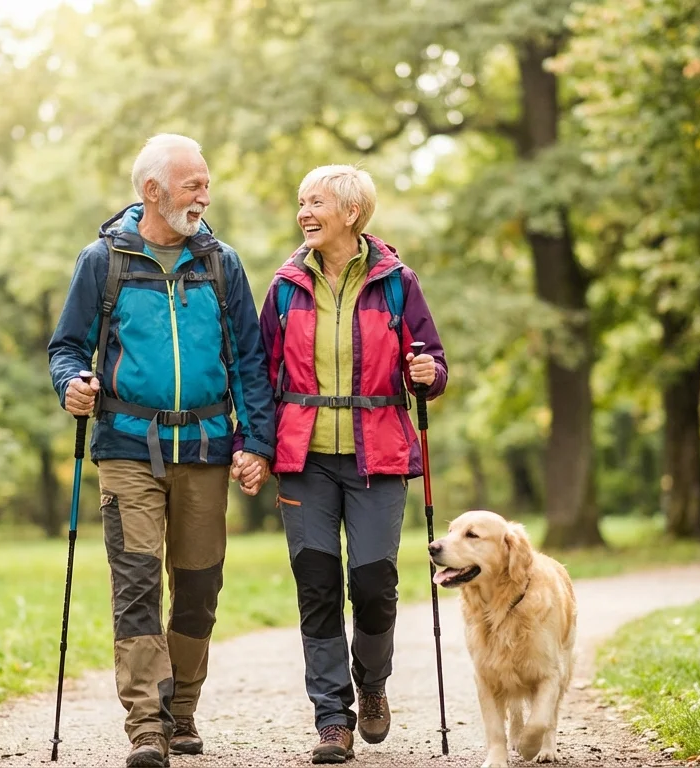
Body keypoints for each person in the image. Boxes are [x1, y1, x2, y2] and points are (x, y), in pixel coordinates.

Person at [48, 134, 274, 768]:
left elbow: (250, 361)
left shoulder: (222, 263)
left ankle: (183, 709)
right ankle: (146, 723)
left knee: (199, 586)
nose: (204, 194)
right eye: (192, 184)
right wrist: (73, 384)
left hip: (205, 446)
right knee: (138, 581)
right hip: (126, 446)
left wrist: (255, 441)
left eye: (205, 183)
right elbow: (66, 346)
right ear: (152, 192)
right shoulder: (104, 261)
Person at [258, 165, 448, 764]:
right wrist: (253, 447)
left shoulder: (396, 283)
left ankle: (371, 683)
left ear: (351, 213)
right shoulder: (286, 287)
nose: (304, 213)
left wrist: (428, 374)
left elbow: (433, 362)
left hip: (378, 457)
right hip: (304, 460)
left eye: (315, 203)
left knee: (373, 584)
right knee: (316, 585)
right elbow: (260, 376)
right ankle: (331, 718)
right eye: (300, 203)